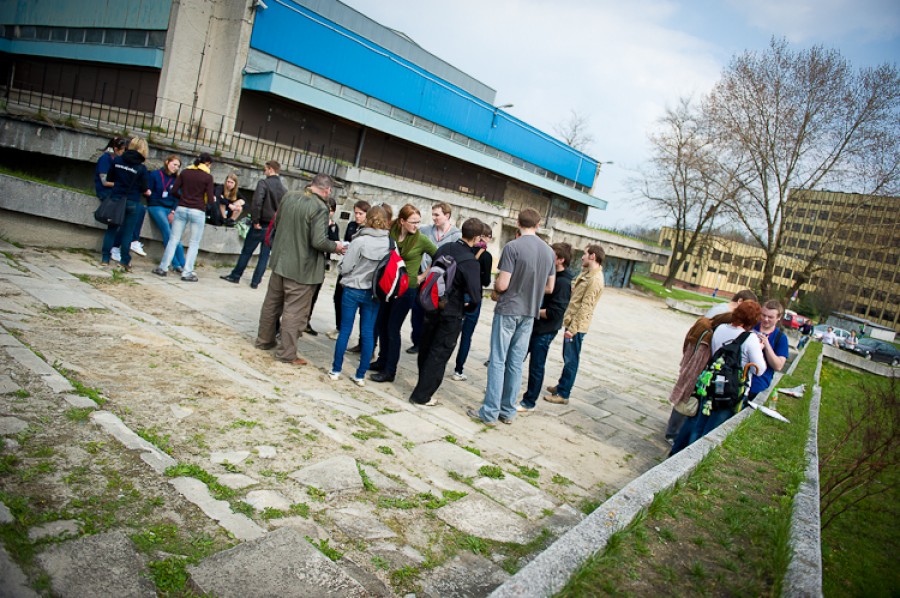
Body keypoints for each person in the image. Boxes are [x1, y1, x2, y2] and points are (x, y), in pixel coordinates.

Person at [468, 208, 555, 426]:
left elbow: (502, 284)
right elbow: (550, 287)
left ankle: (489, 412)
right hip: (530, 311)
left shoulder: (513, 247)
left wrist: (504, 284)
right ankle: (507, 411)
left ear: (518, 223)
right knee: (516, 363)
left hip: (509, 308)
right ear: (538, 224)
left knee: (498, 360)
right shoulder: (548, 252)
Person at [255, 174, 344, 365]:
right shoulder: (320, 207)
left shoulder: (289, 196)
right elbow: (318, 241)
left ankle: (264, 340)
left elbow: (277, 224)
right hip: (302, 269)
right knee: (294, 312)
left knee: (272, 304)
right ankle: (287, 353)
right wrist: (335, 246)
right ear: (327, 190)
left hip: (280, 261)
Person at [670, 300, 766, 455]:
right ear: (753, 320)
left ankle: (685, 454)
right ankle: (697, 458)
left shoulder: (720, 328)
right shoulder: (750, 339)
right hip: (731, 390)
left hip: (712, 383)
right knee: (713, 429)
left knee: (699, 425)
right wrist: (759, 349)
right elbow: (759, 370)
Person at [409, 218, 484, 406]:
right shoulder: (470, 261)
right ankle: (422, 396)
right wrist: (468, 309)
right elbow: (476, 296)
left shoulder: (444, 248)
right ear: (476, 238)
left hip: (432, 305)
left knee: (426, 347)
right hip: (451, 311)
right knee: (439, 353)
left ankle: (422, 386)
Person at [369, 204, 436, 383]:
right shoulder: (390, 232)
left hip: (407, 289)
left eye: (418, 222)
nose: (416, 225)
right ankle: (382, 360)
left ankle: (390, 371)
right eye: (413, 222)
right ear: (402, 221)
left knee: (393, 328)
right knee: (381, 324)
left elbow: (438, 256)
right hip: (388, 285)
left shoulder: (421, 239)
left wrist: (423, 275)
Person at [328, 206, 390, 386]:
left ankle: (336, 370)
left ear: (368, 219)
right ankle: (360, 375)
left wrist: (343, 270)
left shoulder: (360, 240)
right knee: (368, 333)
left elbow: (346, 267)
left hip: (353, 288)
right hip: (374, 292)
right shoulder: (390, 243)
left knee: (345, 330)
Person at [544, 244, 606, 406]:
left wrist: (572, 329)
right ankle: (561, 386)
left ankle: (563, 394)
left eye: (585, 254)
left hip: (576, 326)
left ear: (592, 256)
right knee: (567, 357)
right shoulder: (586, 273)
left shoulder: (595, 280)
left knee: (571, 360)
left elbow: (586, 307)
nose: (582, 257)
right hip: (571, 321)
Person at [517, 242, 574, 412]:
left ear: (560, 260)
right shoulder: (550, 275)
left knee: (536, 366)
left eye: (551, 255)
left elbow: (554, 312)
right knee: (516, 358)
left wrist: (531, 309)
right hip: (533, 325)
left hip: (544, 330)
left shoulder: (563, 283)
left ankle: (529, 402)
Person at [663, 311, 734, 443]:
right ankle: (672, 433)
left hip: (688, 366)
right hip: (694, 371)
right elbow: (699, 359)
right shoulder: (708, 335)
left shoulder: (702, 325)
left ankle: (673, 431)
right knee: (685, 402)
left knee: (683, 401)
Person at [220, 161, 286, 289]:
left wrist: (255, 221)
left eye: (265, 169)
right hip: (272, 226)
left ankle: (236, 275)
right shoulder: (283, 189)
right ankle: (255, 282)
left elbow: (257, 202)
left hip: (260, 223)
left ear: (271, 169)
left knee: (247, 251)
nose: (264, 171)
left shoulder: (264, 183)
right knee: (264, 256)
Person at [408, 202, 462, 355]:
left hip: (441, 281)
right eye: (433, 214)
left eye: (437, 215)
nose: (434, 218)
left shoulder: (456, 236)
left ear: (447, 216)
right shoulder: (425, 231)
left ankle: (429, 342)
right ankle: (417, 341)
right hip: (422, 277)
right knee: (417, 311)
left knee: (433, 313)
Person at [152, 153, 215, 282]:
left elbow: (174, 190)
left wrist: (183, 198)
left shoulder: (185, 172)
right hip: (197, 210)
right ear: (207, 163)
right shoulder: (208, 177)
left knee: (173, 239)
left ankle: (163, 268)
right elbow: (210, 199)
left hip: (181, 208)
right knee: (194, 243)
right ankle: (187, 272)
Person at [451, 222, 495, 381]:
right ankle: (458, 370)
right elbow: (486, 281)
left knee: (451, 331)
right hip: (474, 295)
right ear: (486, 237)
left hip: (458, 293)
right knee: (466, 336)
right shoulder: (486, 256)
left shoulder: (464, 249)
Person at [100, 137, 151, 271]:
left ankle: (105, 258)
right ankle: (124, 261)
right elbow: (144, 188)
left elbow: (110, 178)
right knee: (128, 233)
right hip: (132, 201)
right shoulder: (141, 168)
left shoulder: (117, 161)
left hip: (116, 198)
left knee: (111, 229)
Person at [327, 200, 371, 340]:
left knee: (350, 301)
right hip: (346, 265)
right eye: (356, 213)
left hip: (358, 271)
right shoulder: (352, 225)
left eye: (360, 213)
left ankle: (345, 330)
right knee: (337, 297)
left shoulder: (368, 230)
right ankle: (339, 326)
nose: (357, 216)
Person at [304, 198, 341, 337]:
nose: (328, 212)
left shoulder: (333, 226)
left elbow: (335, 242)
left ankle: (306, 321)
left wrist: (330, 228)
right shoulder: (315, 221)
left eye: (331, 210)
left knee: (314, 294)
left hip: (322, 264)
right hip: (308, 262)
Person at [146, 154, 185, 273]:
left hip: (169, 207)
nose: (176, 168)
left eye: (178, 166)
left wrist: (173, 211)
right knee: (167, 232)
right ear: (167, 162)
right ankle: (175, 263)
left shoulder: (176, 179)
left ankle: (184, 264)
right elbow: (149, 192)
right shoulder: (155, 174)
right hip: (156, 206)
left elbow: (177, 197)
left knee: (176, 236)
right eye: (174, 164)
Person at [748, 299, 789, 401]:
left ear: (778, 317)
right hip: (738, 379)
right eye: (763, 315)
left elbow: (778, 366)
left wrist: (767, 346)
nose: (765, 319)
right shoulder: (751, 326)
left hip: (757, 385)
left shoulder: (781, 338)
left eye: (770, 317)